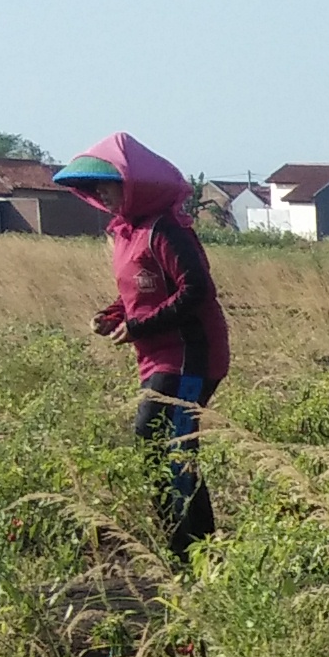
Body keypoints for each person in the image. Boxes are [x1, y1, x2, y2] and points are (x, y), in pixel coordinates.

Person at [53, 135, 231, 560]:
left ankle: (189, 553)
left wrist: (138, 325)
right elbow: (140, 291)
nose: (102, 196)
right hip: (157, 356)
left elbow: (196, 291)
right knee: (161, 446)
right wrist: (114, 315)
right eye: (96, 189)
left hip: (191, 355)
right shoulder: (126, 233)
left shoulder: (165, 230)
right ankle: (191, 550)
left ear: (132, 185)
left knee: (167, 445)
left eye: (109, 186)